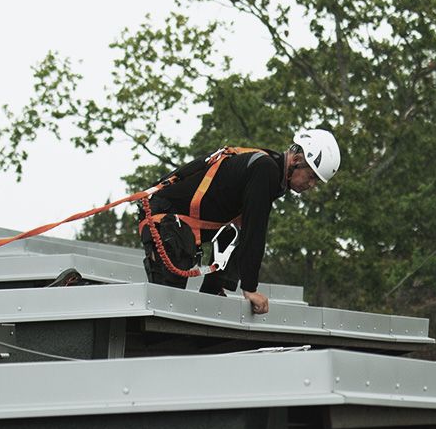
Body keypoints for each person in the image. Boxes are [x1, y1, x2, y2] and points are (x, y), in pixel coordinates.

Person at [138, 128, 339, 315]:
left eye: (316, 182)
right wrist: (250, 288)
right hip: (164, 217)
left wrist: (216, 286)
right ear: (296, 159)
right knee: (166, 307)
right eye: (311, 176)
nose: (311, 184)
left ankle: (213, 289)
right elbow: (255, 229)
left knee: (236, 229)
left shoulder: (271, 170)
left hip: (181, 222)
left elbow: (238, 227)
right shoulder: (266, 169)